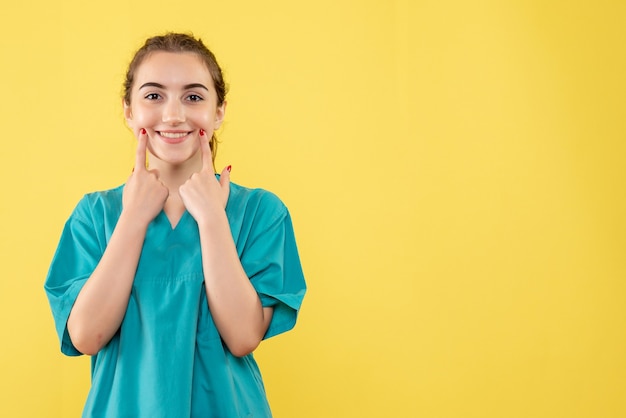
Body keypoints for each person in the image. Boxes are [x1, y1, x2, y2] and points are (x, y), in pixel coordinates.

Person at [44, 32, 306, 417]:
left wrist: (213, 219)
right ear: (129, 110)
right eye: (153, 95)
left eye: (194, 97)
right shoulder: (95, 215)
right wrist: (133, 217)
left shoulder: (260, 213)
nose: (173, 114)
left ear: (219, 112)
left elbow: (243, 336)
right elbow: (86, 335)